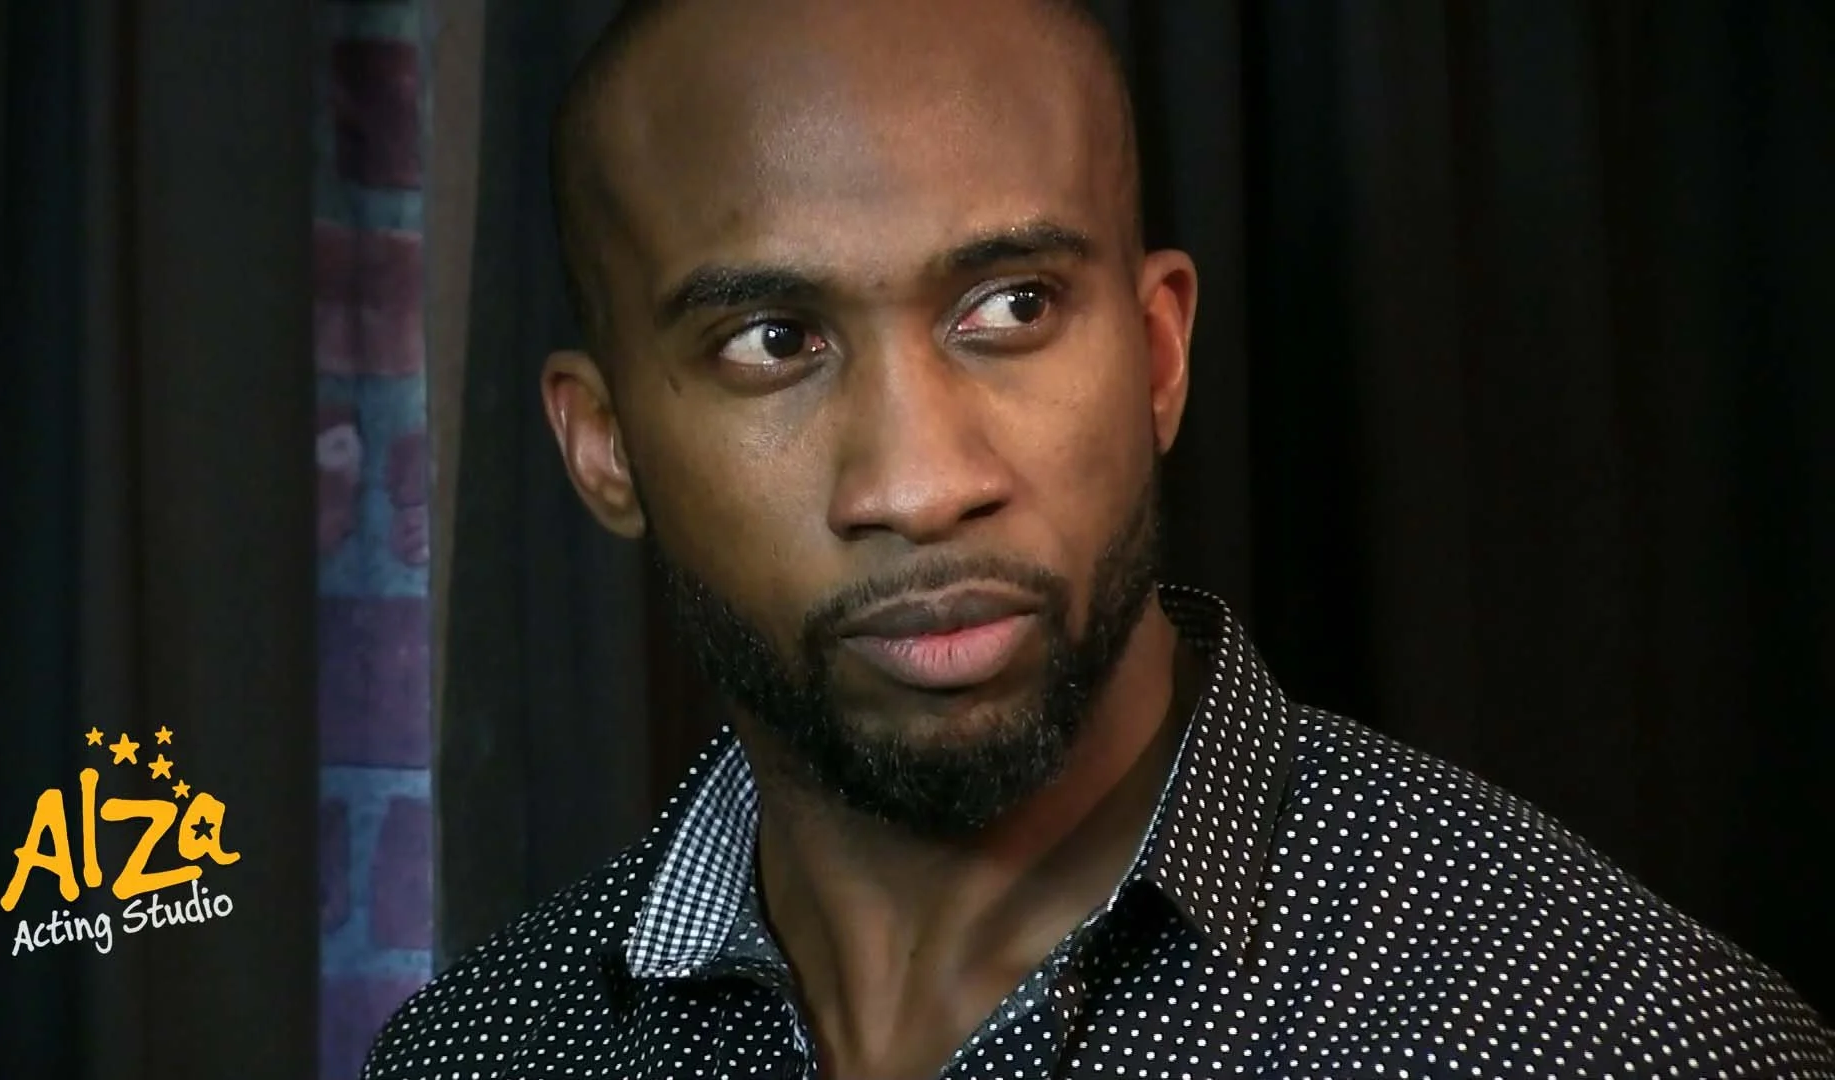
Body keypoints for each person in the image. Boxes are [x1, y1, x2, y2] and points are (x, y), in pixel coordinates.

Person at [362, 0, 1835, 1076]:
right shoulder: (480, 1053)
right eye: (772, 338)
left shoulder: (1613, 1037)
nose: (924, 482)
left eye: (1009, 308)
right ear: (605, 444)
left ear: (1157, 355)